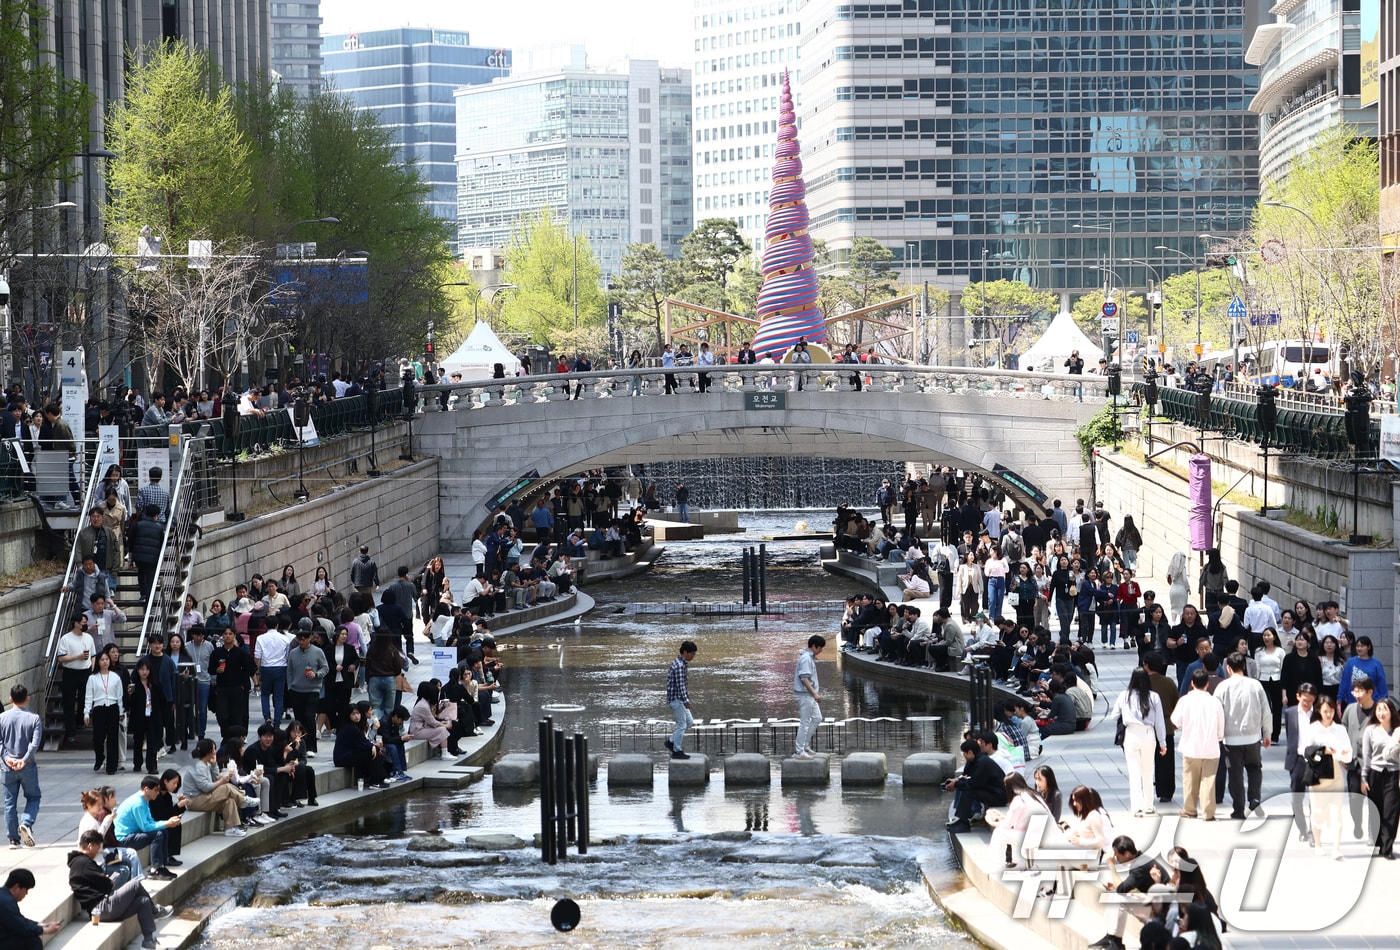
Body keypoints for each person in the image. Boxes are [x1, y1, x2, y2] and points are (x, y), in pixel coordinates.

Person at [68, 830, 170, 950]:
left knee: (143, 901)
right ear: (90, 846)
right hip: (102, 909)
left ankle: (148, 941)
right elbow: (106, 883)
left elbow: (100, 880)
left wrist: (105, 880)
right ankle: (155, 912)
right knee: (135, 884)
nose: (98, 851)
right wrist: (108, 881)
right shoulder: (82, 863)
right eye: (98, 847)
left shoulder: (82, 862)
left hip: (106, 907)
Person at [1087, 836, 1171, 950]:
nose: (1115, 858)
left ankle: (1116, 942)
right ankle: (1109, 937)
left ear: (1126, 854)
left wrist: (1111, 865)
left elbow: (1122, 889)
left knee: (1119, 898)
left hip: (1161, 907)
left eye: (1117, 854)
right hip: (1150, 899)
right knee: (1113, 894)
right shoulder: (1140, 860)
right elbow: (1129, 887)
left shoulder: (1139, 864)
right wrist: (1118, 888)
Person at [1214, 651, 1270, 819]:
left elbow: (1217, 712)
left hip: (1231, 738)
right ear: (1244, 666)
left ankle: (1238, 809)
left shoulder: (1222, 687)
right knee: (1254, 768)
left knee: (1235, 773)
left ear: (1228, 668)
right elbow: (1266, 711)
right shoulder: (1255, 685)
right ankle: (1254, 797)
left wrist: (1217, 735)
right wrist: (1267, 733)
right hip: (1253, 736)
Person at [1111, 668, 1167, 817]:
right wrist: (1163, 742)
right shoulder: (1154, 697)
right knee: (1148, 771)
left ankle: (1136, 806)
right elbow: (1159, 722)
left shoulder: (1124, 695)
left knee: (1134, 771)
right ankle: (1149, 805)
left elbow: (1114, 715)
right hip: (1148, 733)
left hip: (1131, 733)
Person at [1171, 668, 1225, 821]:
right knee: (1208, 780)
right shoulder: (1215, 702)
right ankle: (1208, 812)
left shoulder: (1185, 701)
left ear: (1192, 683)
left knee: (1190, 779)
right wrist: (1219, 737)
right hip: (1211, 747)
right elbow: (1221, 725)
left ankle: (1190, 809)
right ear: (1207, 684)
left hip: (1190, 746)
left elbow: (1175, 721)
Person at [1305, 695, 1352, 859]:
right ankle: (1318, 843)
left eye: (1331, 711)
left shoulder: (1340, 729)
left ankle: (1336, 847)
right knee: (1318, 810)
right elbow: (1305, 752)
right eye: (1325, 711)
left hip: (1335, 773)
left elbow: (1348, 754)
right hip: (1317, 775)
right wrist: (1324, 751)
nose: (1329, 714)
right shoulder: (1312, 729)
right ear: (1319, 710)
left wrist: (1340, 753)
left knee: (1337, 811)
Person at [0, 685, 43, 849]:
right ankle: (26, 822)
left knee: (9, 802)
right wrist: (24, 760)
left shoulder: (2, 717)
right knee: (33, 797)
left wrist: (7, 757)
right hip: (28, 765)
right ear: (27, 698)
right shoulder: (34, 719)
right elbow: (34, 744)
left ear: (10, 699)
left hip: (7, 766)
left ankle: (13, 839)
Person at [112, 775, 179, 880]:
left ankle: (162, 866)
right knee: (158, 834)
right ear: (146, 789)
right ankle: (154, 870)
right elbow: (146, 828)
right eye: (156, 790)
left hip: (133, 833)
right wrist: (167, 823)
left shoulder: (144, 801)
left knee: (163, 831)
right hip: (124, 839)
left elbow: (150, 821)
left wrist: (167, 823)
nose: (158, 793)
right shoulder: (137, 804)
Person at [1359, 696, 1400, 859]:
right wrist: (1364, 777)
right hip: (1375, 773)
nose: (1381, 713)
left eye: (1385, 709)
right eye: (1379, 709)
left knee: (1391, 810)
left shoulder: (1397, 730)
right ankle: (1379, 841)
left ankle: (1387, 847)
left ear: (1392, 711)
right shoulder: (1371, 730)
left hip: (1393, 773)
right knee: (1377, 808)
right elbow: (1366, 755)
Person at [181, 738, 248, 837]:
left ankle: (231, 828)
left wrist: (214, 765)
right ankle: (243, 799)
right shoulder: (199, 766)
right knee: (226, 787)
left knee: (229, 800)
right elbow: (206, 787)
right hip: (194, 800)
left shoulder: (205, 764)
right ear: (208, 752)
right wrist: (221, 781)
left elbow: (214, 779)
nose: (215, 751)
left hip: (203, 797)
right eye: (213, 750)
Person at [943, 737, 1008, 833]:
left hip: (998, 796)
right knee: (962, 785)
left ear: (969, 752)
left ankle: (963, 823)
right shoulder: (974, 760)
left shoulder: (983, 763)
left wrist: (956, 784)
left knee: (968, 790)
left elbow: (973, 784)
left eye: (964, 753)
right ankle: (962, 818)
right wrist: (955, 781)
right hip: (990, 790)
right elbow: (966, 775)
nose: (964, 756)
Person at [1282, 681, 1318, 844]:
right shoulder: (1290, 713)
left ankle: (1314, 829)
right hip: (1297, 759)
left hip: (1315, 760)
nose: (1307, 703)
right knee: (1297, 797)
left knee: (1315, 799)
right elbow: (1291, 735)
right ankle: (1302, 828)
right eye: (1304, 700)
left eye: (1310, 700)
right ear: (1298, 696)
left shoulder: (1317, 714)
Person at [285, 625, 329, 756]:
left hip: (312, 690)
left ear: (310, 638)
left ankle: (311, 746)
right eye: (299, 639)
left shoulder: (318, 652)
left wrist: (316, 674)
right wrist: (290, 686)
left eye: (304, 639)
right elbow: (289, 671)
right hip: (296, 690)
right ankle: (300, 746)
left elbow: (325, 668)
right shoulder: (293, 653)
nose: (302, 642)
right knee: (299, 719)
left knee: (309, 717)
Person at [55, 612, 96, 745]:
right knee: (69, 702)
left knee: (84, 699)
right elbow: (61, 658)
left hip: (86, 672)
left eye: (85, 623)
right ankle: (70, 732)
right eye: (83, 623)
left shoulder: (89, 638)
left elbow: (93, 655)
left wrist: (92, 668)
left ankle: (80, 722)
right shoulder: (66, 639)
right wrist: (78, 657)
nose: (84, 625)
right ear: (76, 623)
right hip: (70, 672)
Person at [1, 868, 62, 947]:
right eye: (26, 890)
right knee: (32, 941)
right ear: (17, 887)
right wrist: (45, 930)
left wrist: (43, 925)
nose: (26, 893)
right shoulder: (6, 902)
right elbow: (20, 927)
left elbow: (20, 920)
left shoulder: (4, 896)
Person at [793, 635, 825, 760]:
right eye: (820, 648)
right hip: (805, 695)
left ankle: (805, 746)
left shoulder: (808, 657)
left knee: (817, 718)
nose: (821, 650)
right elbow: (804, 678)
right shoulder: (806, 658)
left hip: (809, 695)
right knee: (804, 723)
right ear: (814, 646)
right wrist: (814, 693)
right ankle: (799, 751)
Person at [665, 641, 697, 760]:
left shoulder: (681, 663)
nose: (693, 656)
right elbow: (680, 686)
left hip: (679, 699)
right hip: (677, 699)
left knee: (689, 722)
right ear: (685, 652)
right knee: (682, 725)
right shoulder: (679, 666)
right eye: (692, 653)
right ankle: (677, 750)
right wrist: (686, 700)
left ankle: (671, 741)